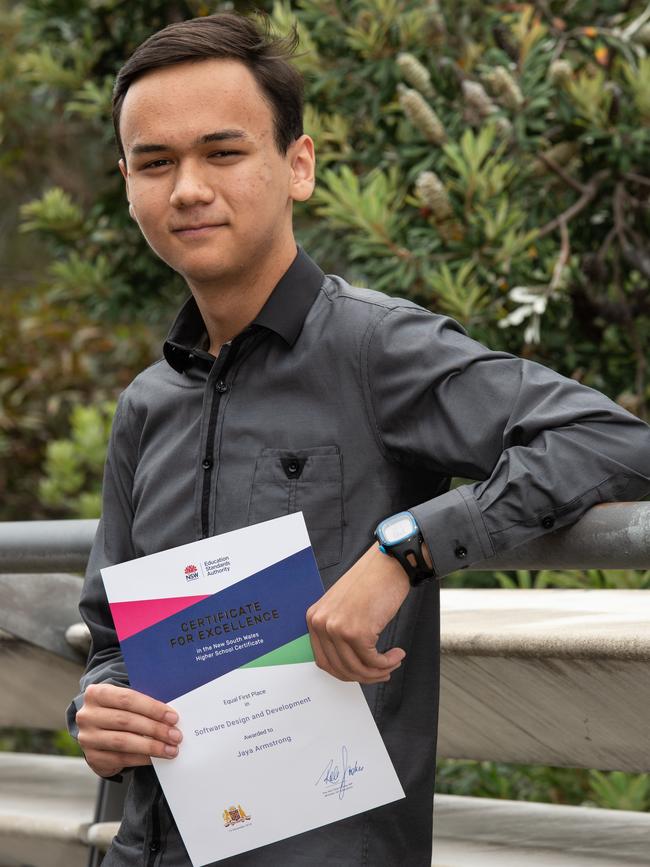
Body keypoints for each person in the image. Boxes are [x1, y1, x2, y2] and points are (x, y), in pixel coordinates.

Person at [66, 11, 650, 867]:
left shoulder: (376, 349)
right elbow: (110, 636)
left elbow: (608, 439)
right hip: (148, 849)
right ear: (128, 183)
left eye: (223, 153)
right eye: (156, 162)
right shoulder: (147, 403)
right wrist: (101, 705)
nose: (187, 187)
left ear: (297, 166)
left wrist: (405, 550)